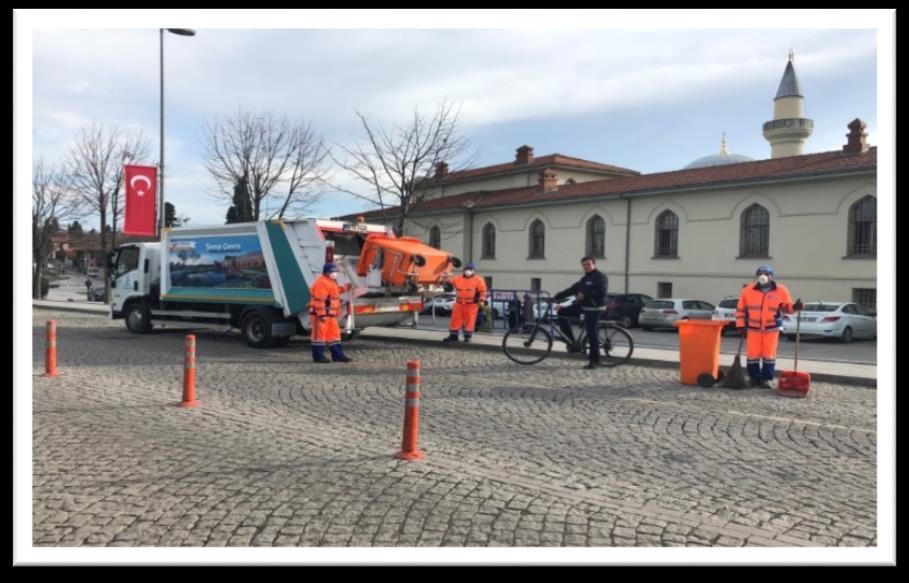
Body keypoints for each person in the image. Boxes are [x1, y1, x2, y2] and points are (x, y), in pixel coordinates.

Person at [735, 265, 803, 388]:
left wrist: (795, 307)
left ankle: (766, 379)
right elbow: (740, 310)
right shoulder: (748, 290)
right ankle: (754, 378)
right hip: (753, 328)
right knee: (753, 355)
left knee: (769, 354)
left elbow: (786, 308)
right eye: (760, 273)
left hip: (772, 328)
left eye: (766, 273)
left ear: (771, 276)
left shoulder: (781, 290)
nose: (763, 276)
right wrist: (740, 325)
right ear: (757, 276)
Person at [553, 256, 609, 369]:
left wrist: (585, 295)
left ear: (594, 264)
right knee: (562, 312)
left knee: (592, 333)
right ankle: (572, 344)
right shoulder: (584, 279)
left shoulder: (600, 277)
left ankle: (595, 361)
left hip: (595, 308)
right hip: (584, 306)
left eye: (588, 264)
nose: (586, 267)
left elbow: (601, 292)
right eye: (584, 265)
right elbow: (572, 289)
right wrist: (556, 297)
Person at [309, 263, 353, 363]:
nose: (336, 274)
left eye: (336, 272)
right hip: (320, 315)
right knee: (319, 336)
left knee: (334, 335)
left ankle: (338, 355)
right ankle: (318, 357)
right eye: (334, 272)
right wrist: (322, 315)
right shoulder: (321, 282)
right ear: (327, 272)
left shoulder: (330, 281)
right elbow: (319, 300)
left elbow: (335, 292)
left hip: (330, 315)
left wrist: (345, 288)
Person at [443, 262, 487, 343]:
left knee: (469, 321)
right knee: (455, 320)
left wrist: (481, 300)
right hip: (459, 304)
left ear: (473, 271)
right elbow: (449, 283)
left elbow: (483, 291)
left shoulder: (478, 280)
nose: (467, 271)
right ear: (463, 270)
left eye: (469, 269)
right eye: (466, 269)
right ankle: (453, 336)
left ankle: (467, 337)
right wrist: (445, 277)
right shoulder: (457, 278)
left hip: (471, 304)